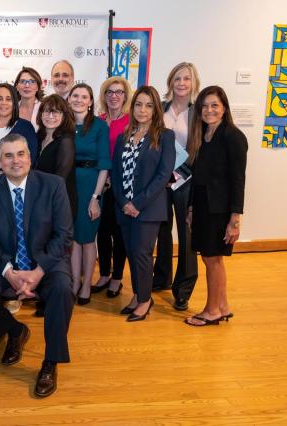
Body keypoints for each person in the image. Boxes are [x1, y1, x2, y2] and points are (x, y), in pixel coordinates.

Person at [0, 133, 74, 398]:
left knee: (62, 288)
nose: (16, 160)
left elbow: (64, 235)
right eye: (8, 155)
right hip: (6, 262)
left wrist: (39, 271)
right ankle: (15, 330)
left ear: (30, 157)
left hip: (46, 262)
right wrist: (8, 273)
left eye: (21, 153)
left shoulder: (53, 185)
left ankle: (51, 362)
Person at [110, 86, 175, 322]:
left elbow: (163, 174)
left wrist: (137, 203)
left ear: (155, 108)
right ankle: (139, 295)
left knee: (142, 254)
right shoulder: (123, 136)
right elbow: (116, 174)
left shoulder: (165, 137)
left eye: (148, 105)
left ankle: (145, 300)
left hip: (148, 209)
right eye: (138, 104)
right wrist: (123, 201)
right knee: (131, 252)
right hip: (124, 207)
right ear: (132, 107)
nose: (143, 110)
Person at [184, 86, 247, 326]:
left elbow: (238, 180)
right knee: (212, 259)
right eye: (205, 106)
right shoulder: (203, 135)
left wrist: (235, 219)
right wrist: (190, 208)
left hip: (219, 210)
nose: (209, 110)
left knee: (213, 259)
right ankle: (222, 306)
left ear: (224, 108)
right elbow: (197, 176)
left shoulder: (233, 136)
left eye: (214, 105)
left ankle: (211, 311)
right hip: (202, 206)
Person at [153, 62, 201, 311]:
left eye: (187, 79)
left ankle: (183, 289)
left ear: (194, 83)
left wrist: (185, 174)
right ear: (171, 81)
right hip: (161, 180)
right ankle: (161, 277)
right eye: (177, 78)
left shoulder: (197, 112)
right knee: (161, 230)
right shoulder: (161, 109)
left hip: (186, 180)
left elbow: (199, 150)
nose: (181, 83)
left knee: (186, 235)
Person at [67, 83, 111, 305]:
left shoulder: (100, 126)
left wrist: (95, 198)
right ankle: (75, 282)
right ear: (69, 98)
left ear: (91, 101)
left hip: (91, 186)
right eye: (75, 95)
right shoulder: (64, 125)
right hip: (69, 185)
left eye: (84, 96)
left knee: (87, 239)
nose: (79, 100)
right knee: (74, 238)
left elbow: (104, 164)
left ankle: (86, 285)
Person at [92, 77, 131, 298]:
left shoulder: (130, 122)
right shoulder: (98, 120)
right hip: (100, 185)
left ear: (125, 96)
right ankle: (104, 273)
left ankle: (117, 277)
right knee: (102, 232)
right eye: (109, 92)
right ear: (104, 95)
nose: (114, 95)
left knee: (119, 233)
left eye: (119, 92)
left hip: (121, 186)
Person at [0, 83, 38, 179]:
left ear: (14, 104)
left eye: (8, 99)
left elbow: (31, 161)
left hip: (14, 185)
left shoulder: (25, 128)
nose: (3, 103)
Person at [35, 94, 77, 219]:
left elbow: (60, 179)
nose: (51, 116)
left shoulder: (66, 141)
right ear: (41, 114)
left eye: (56, 112)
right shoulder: (38, 137)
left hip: (58, 203)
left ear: (64, 116)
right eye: (47, 111)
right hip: (39, 199)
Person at [14, 66, 44, 131]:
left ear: (38, 87)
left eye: (32, 81)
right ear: (17, 87)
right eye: (22, 81)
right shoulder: (11, 109)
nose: (27, 85)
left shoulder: (44, 108)